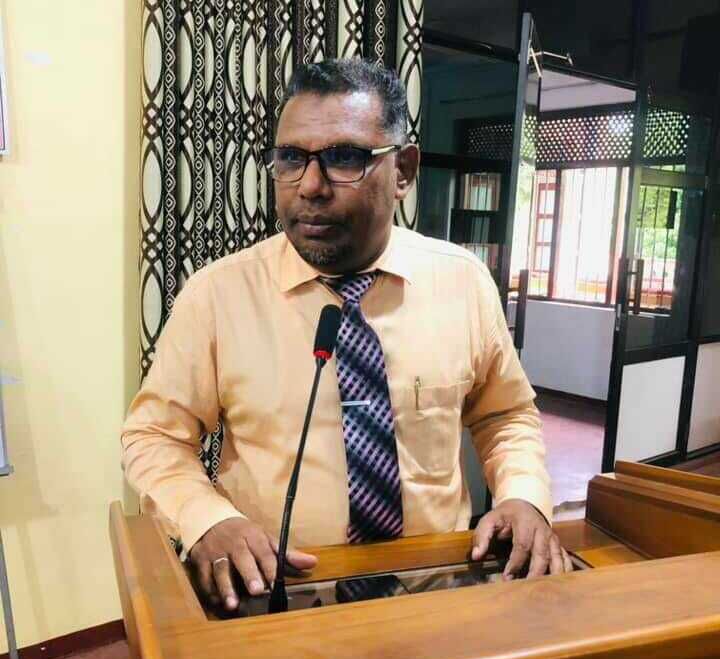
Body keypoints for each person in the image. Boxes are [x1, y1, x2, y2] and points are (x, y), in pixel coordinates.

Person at [121, 57, 571, 613]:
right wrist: (206, 519)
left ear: (403, 170)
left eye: (344, 158)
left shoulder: (463, 283)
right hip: (276, 596)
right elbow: (154, 437)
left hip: (434, 594)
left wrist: (524, 496)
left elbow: (504, 415)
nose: (310, 186)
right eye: (292, 158)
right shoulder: (218, 295)